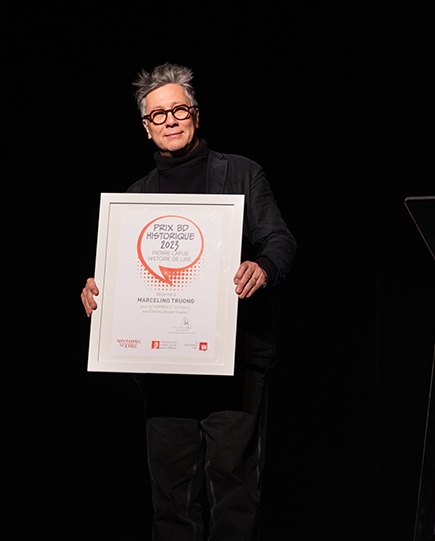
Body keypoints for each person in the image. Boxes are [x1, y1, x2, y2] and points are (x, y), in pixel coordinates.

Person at [81, 63, 296, 540]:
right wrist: (101, 291)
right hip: (164, 371)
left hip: (234, 363)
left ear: (196, 115)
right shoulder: (134, 199)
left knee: (234, 494)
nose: (171, 120)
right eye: (159, 114)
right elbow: (123, 275)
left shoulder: (240, 173)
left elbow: (279, 240)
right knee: (171, 502)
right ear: (146, 126)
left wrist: (262, 266)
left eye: (180, 109)